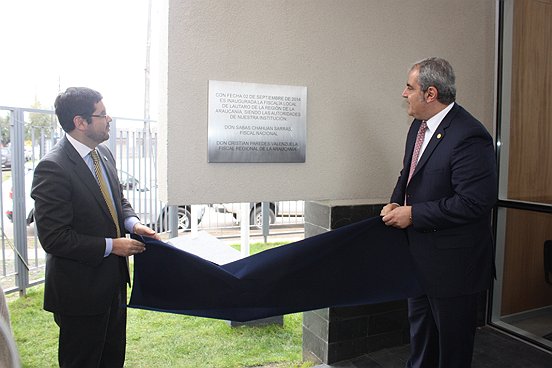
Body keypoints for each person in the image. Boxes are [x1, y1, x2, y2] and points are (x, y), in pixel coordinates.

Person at [31, 87, 160, 368]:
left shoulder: (103, 154)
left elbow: (118, 200)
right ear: (80, 122)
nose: (109, 119)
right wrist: (113, 246)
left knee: (113, 360)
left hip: (113, 285)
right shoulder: (52, 168)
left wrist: (133, 224)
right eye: (102, 114)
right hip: (79, 294)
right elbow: (55, 238)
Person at [380, 57, 497, 368]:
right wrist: (395, 201)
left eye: (409, 87)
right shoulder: (418, 128)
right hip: (419, 261)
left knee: (452, 351)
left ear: (430, 93)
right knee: (422, 342)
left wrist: (414, 214)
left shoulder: (470, 135)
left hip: (454, 268)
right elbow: (410, 174)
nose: (404, 93)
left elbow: (474, 202)